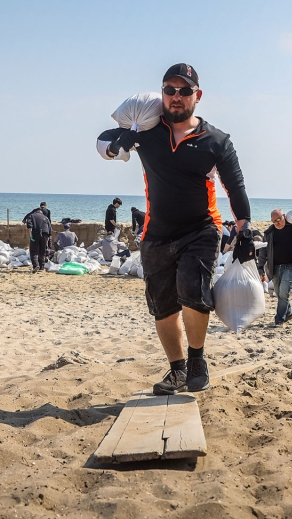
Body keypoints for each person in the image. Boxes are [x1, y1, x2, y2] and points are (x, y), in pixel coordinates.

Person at [97, 62, 252, 395]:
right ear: (162, 93)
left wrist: (245, 227)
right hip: (155, 233)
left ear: (198, 95)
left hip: (202, 228)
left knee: (193, 292)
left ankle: (197, 360)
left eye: (184, 91)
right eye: (170, 90)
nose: (176, 97)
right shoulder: (147, 129)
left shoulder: (216, 140)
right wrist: (117, 144)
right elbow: (102, 144)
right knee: (163, 306)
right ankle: (177, 370)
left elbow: (234, 185)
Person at [257, 208, 292, 326]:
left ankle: (279, 319)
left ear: (284, 216)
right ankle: (288, 313)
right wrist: (260, 267)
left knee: (284, 292)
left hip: (291, 266)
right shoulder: (269, 233)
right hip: (275, 267)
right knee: (279, 293)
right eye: (274, 221)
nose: (277, 223)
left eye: (279, 219)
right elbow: (263, 251)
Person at [26, 207, 52, 274]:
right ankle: (41, 267)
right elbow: (49, 230)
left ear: (35, 212)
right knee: (42, 251)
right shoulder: (46, 218)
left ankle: (35, 265)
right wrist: (47, 240)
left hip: (35, 234)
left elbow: (29, 226)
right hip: (45, 235)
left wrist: (31, 235)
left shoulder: (32, 216)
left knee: (34, 251)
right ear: (41, 212)